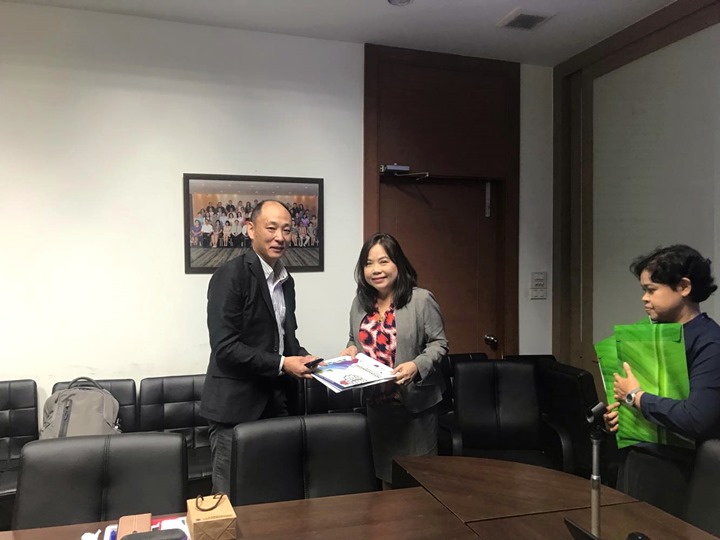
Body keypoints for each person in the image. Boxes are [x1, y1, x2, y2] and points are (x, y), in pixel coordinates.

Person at [200, 200, 317, 494]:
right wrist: (283, 364)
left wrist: (305, 358)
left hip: (278, 403)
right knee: (228, 498)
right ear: (251, 230)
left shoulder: (286, 281)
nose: (280, 237)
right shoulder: (231, 275)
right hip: (235, 409)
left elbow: (284, 340)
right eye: (272, 228)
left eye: (287, 230)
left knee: (276, 492)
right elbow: (225, 347)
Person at [605, 244, 720, 517]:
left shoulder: (710, 343)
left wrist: (635, 397)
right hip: (638, 459)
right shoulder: (651, 336)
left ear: (684, 287)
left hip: (677, 472)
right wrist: (622, 415)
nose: (644, 298)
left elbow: (697, 418)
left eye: (651, 290)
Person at [339, 232, 448, 486]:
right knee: (386, 481)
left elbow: (439, 343)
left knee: (420, 481)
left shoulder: (420, 299)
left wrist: (416, 366)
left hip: (415, 408)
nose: (376, 270)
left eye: (383, 261)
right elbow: (354, 339)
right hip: (378, 409)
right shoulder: (360, 303)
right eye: (368, 263)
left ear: (398, 263)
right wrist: (350, 350)